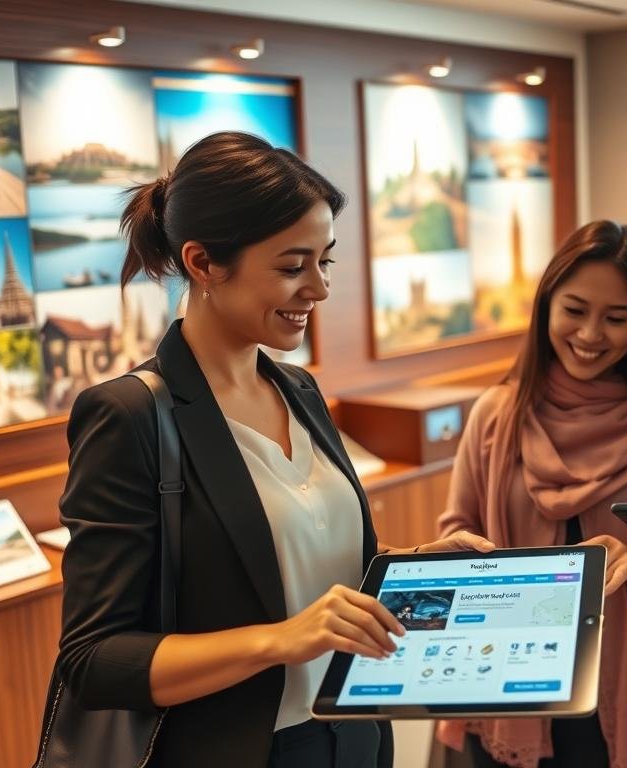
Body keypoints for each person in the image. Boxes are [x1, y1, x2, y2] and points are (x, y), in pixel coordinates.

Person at [51, 131, 494, 768]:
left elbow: (298, 569)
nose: (318, 288)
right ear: (202, 264)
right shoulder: (128, 416)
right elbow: (96, 659)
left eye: (325, 261)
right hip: (244, 747)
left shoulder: (299, 389)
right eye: (292, 267)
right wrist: (279, 641)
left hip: (357, 731)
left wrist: (418, 564)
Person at [436, 221, 627, 768]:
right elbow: (453, 532)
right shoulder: (495, 415)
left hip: (613, 694)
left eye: (616, 318)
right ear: (547, 306)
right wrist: (467, 559)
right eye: (574, 310)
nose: (591, 334)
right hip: (500, 680)